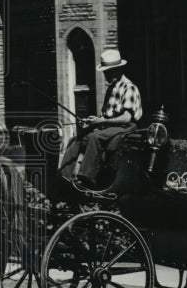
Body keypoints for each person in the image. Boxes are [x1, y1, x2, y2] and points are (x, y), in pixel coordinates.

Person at [59, 48, 143, 189]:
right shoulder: (112, 88)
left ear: (117, 70)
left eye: (107, 72)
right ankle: (63, 177)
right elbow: (107, 114)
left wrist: (101, 122)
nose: (105, 75)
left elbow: (126, 118)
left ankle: (87, 179)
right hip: (110, 126)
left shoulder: (129, 88)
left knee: (94, 138)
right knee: (76, 139)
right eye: (105, 72)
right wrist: (93, 121)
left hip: (126, 127)